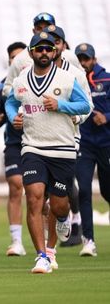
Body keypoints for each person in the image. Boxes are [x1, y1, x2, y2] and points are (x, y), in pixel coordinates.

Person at [5, 32, 91, 273]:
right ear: (31, 53)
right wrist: (14, 117)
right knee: (34, 197)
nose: (43, 53)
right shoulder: (21, 80)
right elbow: (11, 102)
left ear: (54, 52)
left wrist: (60, 105)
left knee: (59, 205)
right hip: (32, 147)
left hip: (62, 148)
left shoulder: (67, 79)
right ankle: (42, 255)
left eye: (47, 49)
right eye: (38, 49)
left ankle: (64, 219)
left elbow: (85, 105)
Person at [41, 25, 93, 268]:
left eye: (57, 41)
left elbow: (87, 105)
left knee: (60, 185)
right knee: (41, 190)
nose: (52, 46)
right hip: (40, 137)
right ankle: (54, 235)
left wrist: (75, 116)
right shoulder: (33, 71)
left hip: (68, 136)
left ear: (62, 45)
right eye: (48, 42)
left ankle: (65, 216)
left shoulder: (75, 73)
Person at [0, 41, 27, 257]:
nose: (17, 60)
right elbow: (4, 112)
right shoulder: (2, 86)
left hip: (40, 141)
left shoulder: (40, 79)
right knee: (16, 185)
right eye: (13, 57)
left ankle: (44, 238)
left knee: (39, 193)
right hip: (14, 142)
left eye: (20, 55)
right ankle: (16, 241)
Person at [74, 43, 110, 257]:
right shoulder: (75, 81)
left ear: (94, 60)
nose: (83, 63)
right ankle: (89, 241)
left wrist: (106, 118)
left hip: (106, 143)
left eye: (86, 59)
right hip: (84, 144)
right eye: (80, 59)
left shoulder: (107, 79)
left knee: (107, 190)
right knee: (84, 191)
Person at [2, 12, 82, 97]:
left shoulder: (69, 56)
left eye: (47, 27)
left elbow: (82, 81)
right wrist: (25, 97)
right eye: (39, 28)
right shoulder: (20, 59)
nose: (44, 32)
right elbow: (7, 88)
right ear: (33, 31)